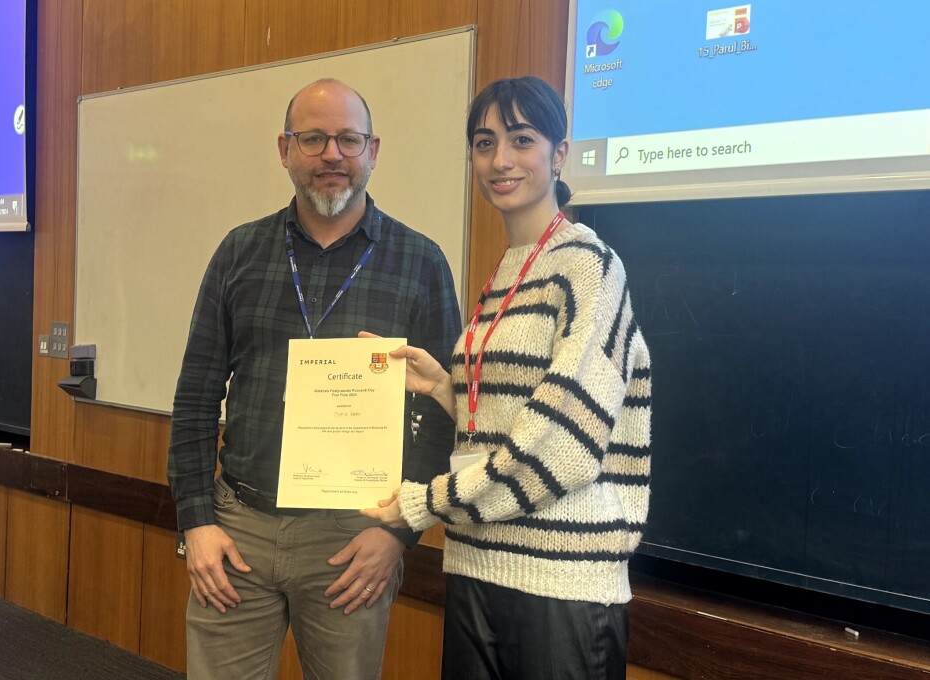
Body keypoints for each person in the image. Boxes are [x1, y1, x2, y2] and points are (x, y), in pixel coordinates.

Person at [168, 78, 461, 680]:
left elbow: (440, 412)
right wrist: (196, 523)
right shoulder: (239, 253)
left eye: (349, 140)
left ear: (372, 151)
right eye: (313, 139)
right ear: (285, 149)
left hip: (354, 539)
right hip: (239, 529)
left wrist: (399, 534)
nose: (332, 155)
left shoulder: (420, 261)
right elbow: (196, 396)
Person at [361, 76, 653, 679]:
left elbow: (563, 444)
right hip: (476, 564)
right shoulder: (506, 273)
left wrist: (424, 503)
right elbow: (509, 420)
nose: (500, 160)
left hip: (560, 583)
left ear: (559, 154)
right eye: (484, 142)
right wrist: (444, 388)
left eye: (522, 139)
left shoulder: (589, 265)